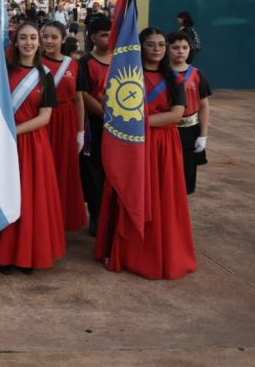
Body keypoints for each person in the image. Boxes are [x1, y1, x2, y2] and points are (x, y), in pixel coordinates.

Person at [94, 27, 198, 280]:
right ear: (140, 47)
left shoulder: (173, 78)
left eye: (161, 44)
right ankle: (127, 251)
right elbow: (110, 103)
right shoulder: (128, 75)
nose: (157, 49)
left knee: (160, 197)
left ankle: (158, 252)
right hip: (132, 143)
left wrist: (140, 122)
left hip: (161, 145)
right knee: (128, 189)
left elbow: (176, 113)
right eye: (151, 44)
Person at [0, 21, 66, 273]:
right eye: (24, 38)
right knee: (0, 193)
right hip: (1, 145)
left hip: (31, 144)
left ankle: (27, 254)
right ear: (15, 41)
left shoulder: (45, 77)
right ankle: (3, 252)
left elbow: (45, 117)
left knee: (29, 197)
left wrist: (10, 133)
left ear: (40, 42)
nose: (29, 42)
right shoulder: (2, 71)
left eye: (34, 37)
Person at [40, 21, 88, 232]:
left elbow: (79, 99)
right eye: (45, 36)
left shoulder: (74, 65)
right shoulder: (34, 62)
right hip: (41, 120)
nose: (49, 41)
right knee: (42, 169)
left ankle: (61, 217)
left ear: (63, 39)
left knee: (64, 168)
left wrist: (80, 131)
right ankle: (42, 215)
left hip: (66, 121)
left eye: (53, 37)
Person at [77, 15, 112, 235]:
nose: (109, 38)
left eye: (112, 33)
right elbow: (83, 94)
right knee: (95, 173)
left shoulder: (123, 60)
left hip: (121, 128)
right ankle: (97, 215)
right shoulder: (85, 62)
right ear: (93, 37)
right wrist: (106, 116)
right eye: (104, 35)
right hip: (95, 126)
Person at [166, 31, 211, 195]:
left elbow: (204, 105)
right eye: (175, 47)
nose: (180, 51)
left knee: (186, 175)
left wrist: (203, 135)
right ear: (167, 49)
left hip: (189, 131)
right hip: (166, 130)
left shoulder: (198, 75)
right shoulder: (161, 74)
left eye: (184, 47)